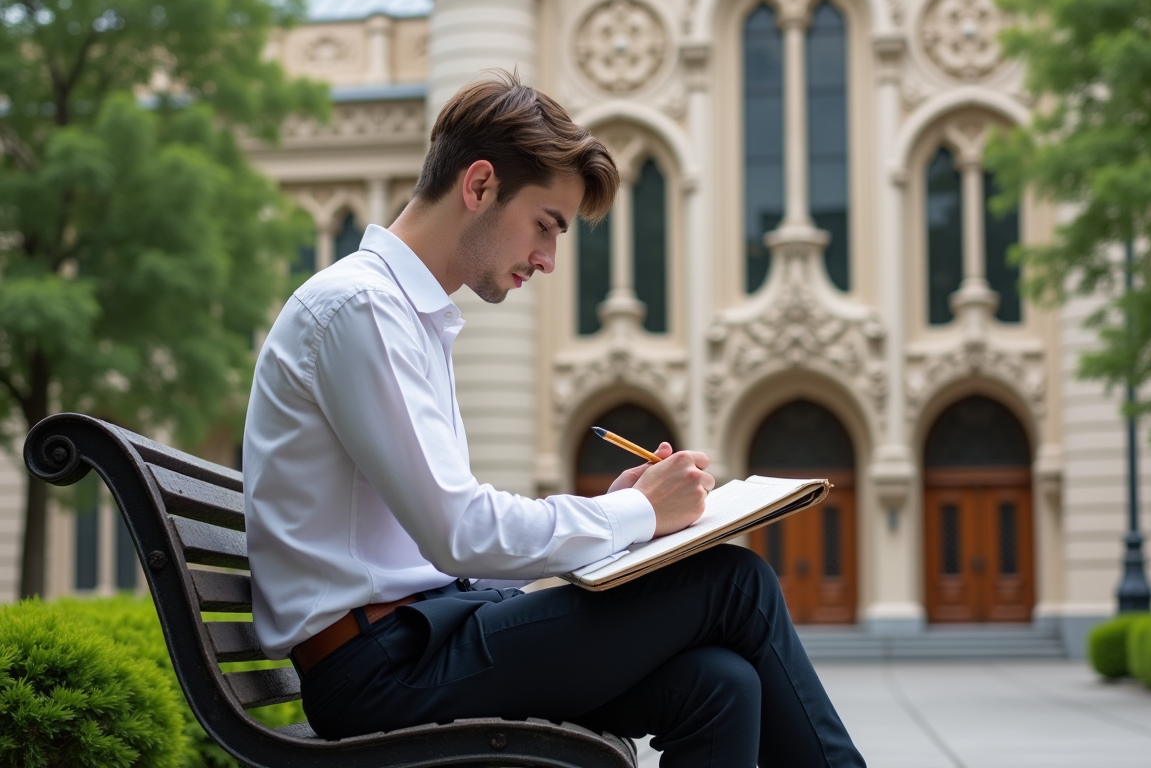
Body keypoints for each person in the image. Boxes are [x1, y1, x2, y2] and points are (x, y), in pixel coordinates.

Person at [243, 72, 865, 768]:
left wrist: (621, 521)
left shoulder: (404, 316)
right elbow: (458, 531)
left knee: (720, 684)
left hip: (425, 633)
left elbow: (443, 545)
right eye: (546, 225)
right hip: (380, 668)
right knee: (735, 583)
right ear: (479, 185)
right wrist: (634, 516)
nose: (547, 259)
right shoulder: (360, 309)